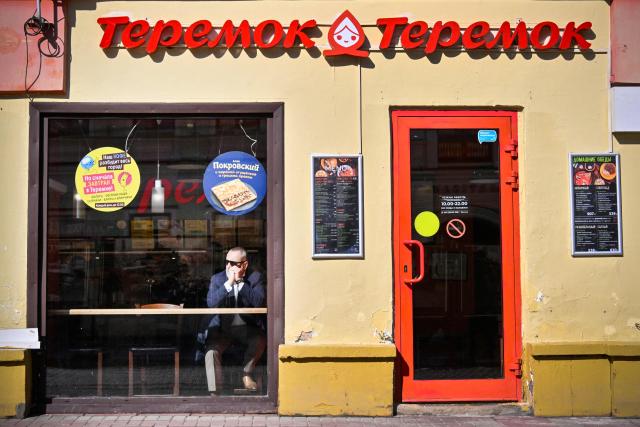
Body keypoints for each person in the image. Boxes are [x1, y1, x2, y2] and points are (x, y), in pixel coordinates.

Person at [203, 247, 266, 394]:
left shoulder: (254, 278)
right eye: (227, 262)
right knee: (211, 352)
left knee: (260, 340)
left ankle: (246, 374)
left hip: (246, 327)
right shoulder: (217, 279)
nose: (229, 266)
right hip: (222, 329)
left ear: (244, 264)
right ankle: (214, 391)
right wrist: (229, 284)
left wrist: (242, 284)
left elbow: (259, 302)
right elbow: (211, 303)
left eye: (234, 263)